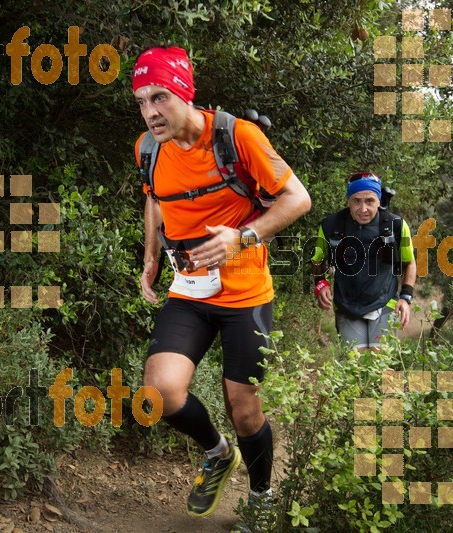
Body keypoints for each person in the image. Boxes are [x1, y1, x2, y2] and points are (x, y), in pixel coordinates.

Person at [132, 46, 311, 522]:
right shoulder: (149, 148)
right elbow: (155, 200)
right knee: (161, 393)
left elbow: (298, 198)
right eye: (142, 101)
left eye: (160, 97)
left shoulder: (237, 137)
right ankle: (216, 452)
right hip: (188, 290)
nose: (151, 111)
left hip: (246, 294)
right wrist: (151, 255)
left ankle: (262, 498)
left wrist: (244, 236)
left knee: (244, 406)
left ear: (185, 93)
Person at [311, 171, 417, 351]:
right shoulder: (331, 225)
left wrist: (406, 297)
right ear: (348, 201)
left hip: (385, 301)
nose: (363, 209)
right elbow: (317, 261)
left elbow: (409, 263)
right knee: (354, 367)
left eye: (370, 201)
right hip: (347, 304)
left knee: (381, 365)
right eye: (356, 201)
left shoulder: (396, 225)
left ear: (379, 200)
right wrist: (321, 283)